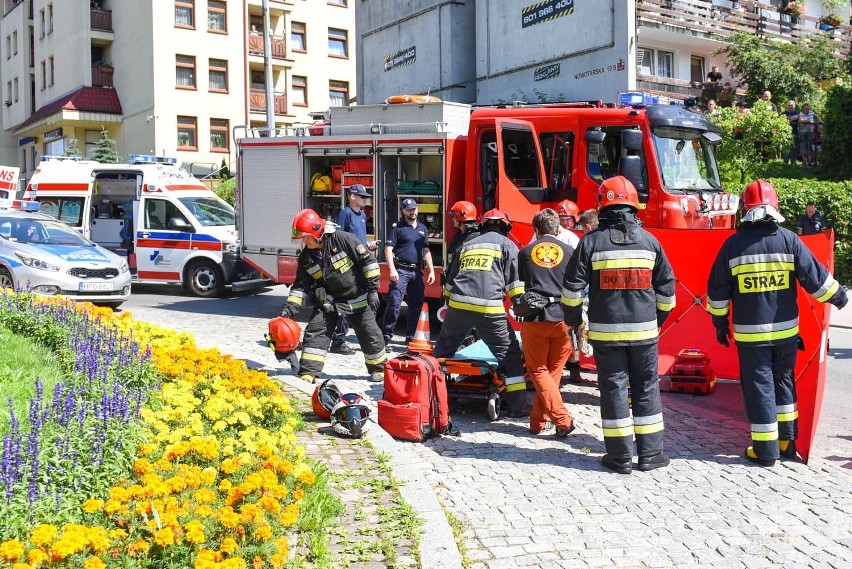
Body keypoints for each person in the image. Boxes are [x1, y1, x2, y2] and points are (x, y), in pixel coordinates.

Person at [706, 180, 847, 466]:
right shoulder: (788, 239)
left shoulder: (732, 246)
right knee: (783, 382)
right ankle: (786, 442)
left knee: (759, 386)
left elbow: (717, 293)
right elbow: (816, 281)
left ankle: (765, 450)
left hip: (750, 336)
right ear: (776, 207)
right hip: (786, 334)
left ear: (744, 210)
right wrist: (841, 297)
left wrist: (720, 324)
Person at [562, 176, 676, 474]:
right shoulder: (651, 242)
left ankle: (620, 457)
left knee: (613, 390)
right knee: (646, 388)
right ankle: (651, 455)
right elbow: (667, 294)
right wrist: (656, 321)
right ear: (633, 206)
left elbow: (572, 291)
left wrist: (574, 323)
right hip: (645, 334)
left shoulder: (590, 242)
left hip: (606, 333)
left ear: (602, 206)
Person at [434, 208, 527, 417]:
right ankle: (517, 406)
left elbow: (450, 280)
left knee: (443, 350)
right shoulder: (507, 245)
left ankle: (430, 395)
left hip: (458, 305)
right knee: (510, 354)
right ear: (504, 227)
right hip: (488, 309)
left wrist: (448, 303)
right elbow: (514, 284)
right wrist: (521, 305)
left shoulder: (467, 244)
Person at [281, 208, 388, 383]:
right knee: (316, 331)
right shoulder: (307, 258)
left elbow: (368, 262)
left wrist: (373, 290)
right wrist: (289, 308)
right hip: (329, 301)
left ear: (317, 232)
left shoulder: (343, 239)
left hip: (357, 296)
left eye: (306, 237)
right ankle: (309, 372)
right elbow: (301, 285)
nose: (304, 241)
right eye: (302, 238)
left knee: (370, 332)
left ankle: (379, 368)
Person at [516, 209, 576, 436]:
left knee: (538, 371)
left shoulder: (525, 252)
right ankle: (537, 422)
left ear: (536, 230)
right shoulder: (570, 251)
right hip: (564, 318)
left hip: (535, 318)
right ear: (558, 229)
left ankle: (563, 421)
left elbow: (519, 285)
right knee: (553, 372)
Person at [333, 184, 380, 355]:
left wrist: (368, 246)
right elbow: (338, 240)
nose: (365, 199)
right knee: (348, 303)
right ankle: (338, 341)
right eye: (362, 197)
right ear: (352, 196)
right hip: (349, 267)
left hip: (360, 264)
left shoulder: (361, 215)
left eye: (366, 197)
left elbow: (357, 241)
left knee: (360, 302)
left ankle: (355, 338)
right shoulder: (345, 214)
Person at [382, 198, 436, 345]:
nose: (413, 212)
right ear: (403, 212)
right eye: (409, 210)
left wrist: (431, 271)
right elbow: (388, 248)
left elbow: (426, 250)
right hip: (401, 270)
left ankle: (411, 337)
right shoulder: (397, 228)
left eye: (414, 209)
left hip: (417, 272)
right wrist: (392, 269)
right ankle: (386, 337)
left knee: (416, 306)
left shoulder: (423, 228)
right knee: (394, 304)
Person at [797, 102, 817, 166]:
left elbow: (817, 119)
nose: (807, 110)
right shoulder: (801, 113)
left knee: (810, 146)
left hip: (810, 132)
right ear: (803, 109)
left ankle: (810, 161)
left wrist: (819, 121)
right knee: (803, 146)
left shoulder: (812, 113)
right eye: (806, 109)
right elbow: (801, 120)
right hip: (802, 132)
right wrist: (810, 121)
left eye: (808, 109)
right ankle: (805, 161)